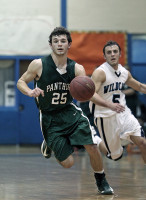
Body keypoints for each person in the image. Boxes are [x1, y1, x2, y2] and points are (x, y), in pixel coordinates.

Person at [16, 27, 123, 195]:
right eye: (56, 41)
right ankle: (50, 143)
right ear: (50, 45)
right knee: (68, 163)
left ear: (69, 45)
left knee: (92, 145)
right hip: (49, 117)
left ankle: (101, 180)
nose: (59, 44)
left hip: (70, 113)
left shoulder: (77, 68)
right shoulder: (39, 65)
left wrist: (108, 104)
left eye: (63, 41)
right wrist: (30, 91)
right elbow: (21, 81)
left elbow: (88, 93)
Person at [89, 40, 146, 163]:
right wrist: (109, 105)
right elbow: (91, 94)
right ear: (104, 56)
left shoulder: (124, 72)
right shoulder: (100, 72)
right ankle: (97, 140)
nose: (112, 54)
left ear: (120, 54)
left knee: (143, 142)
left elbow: (140, 87)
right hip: (105, 116)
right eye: (109, 52)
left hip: (123, 113)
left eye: (115, 51)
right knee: (115, 156)